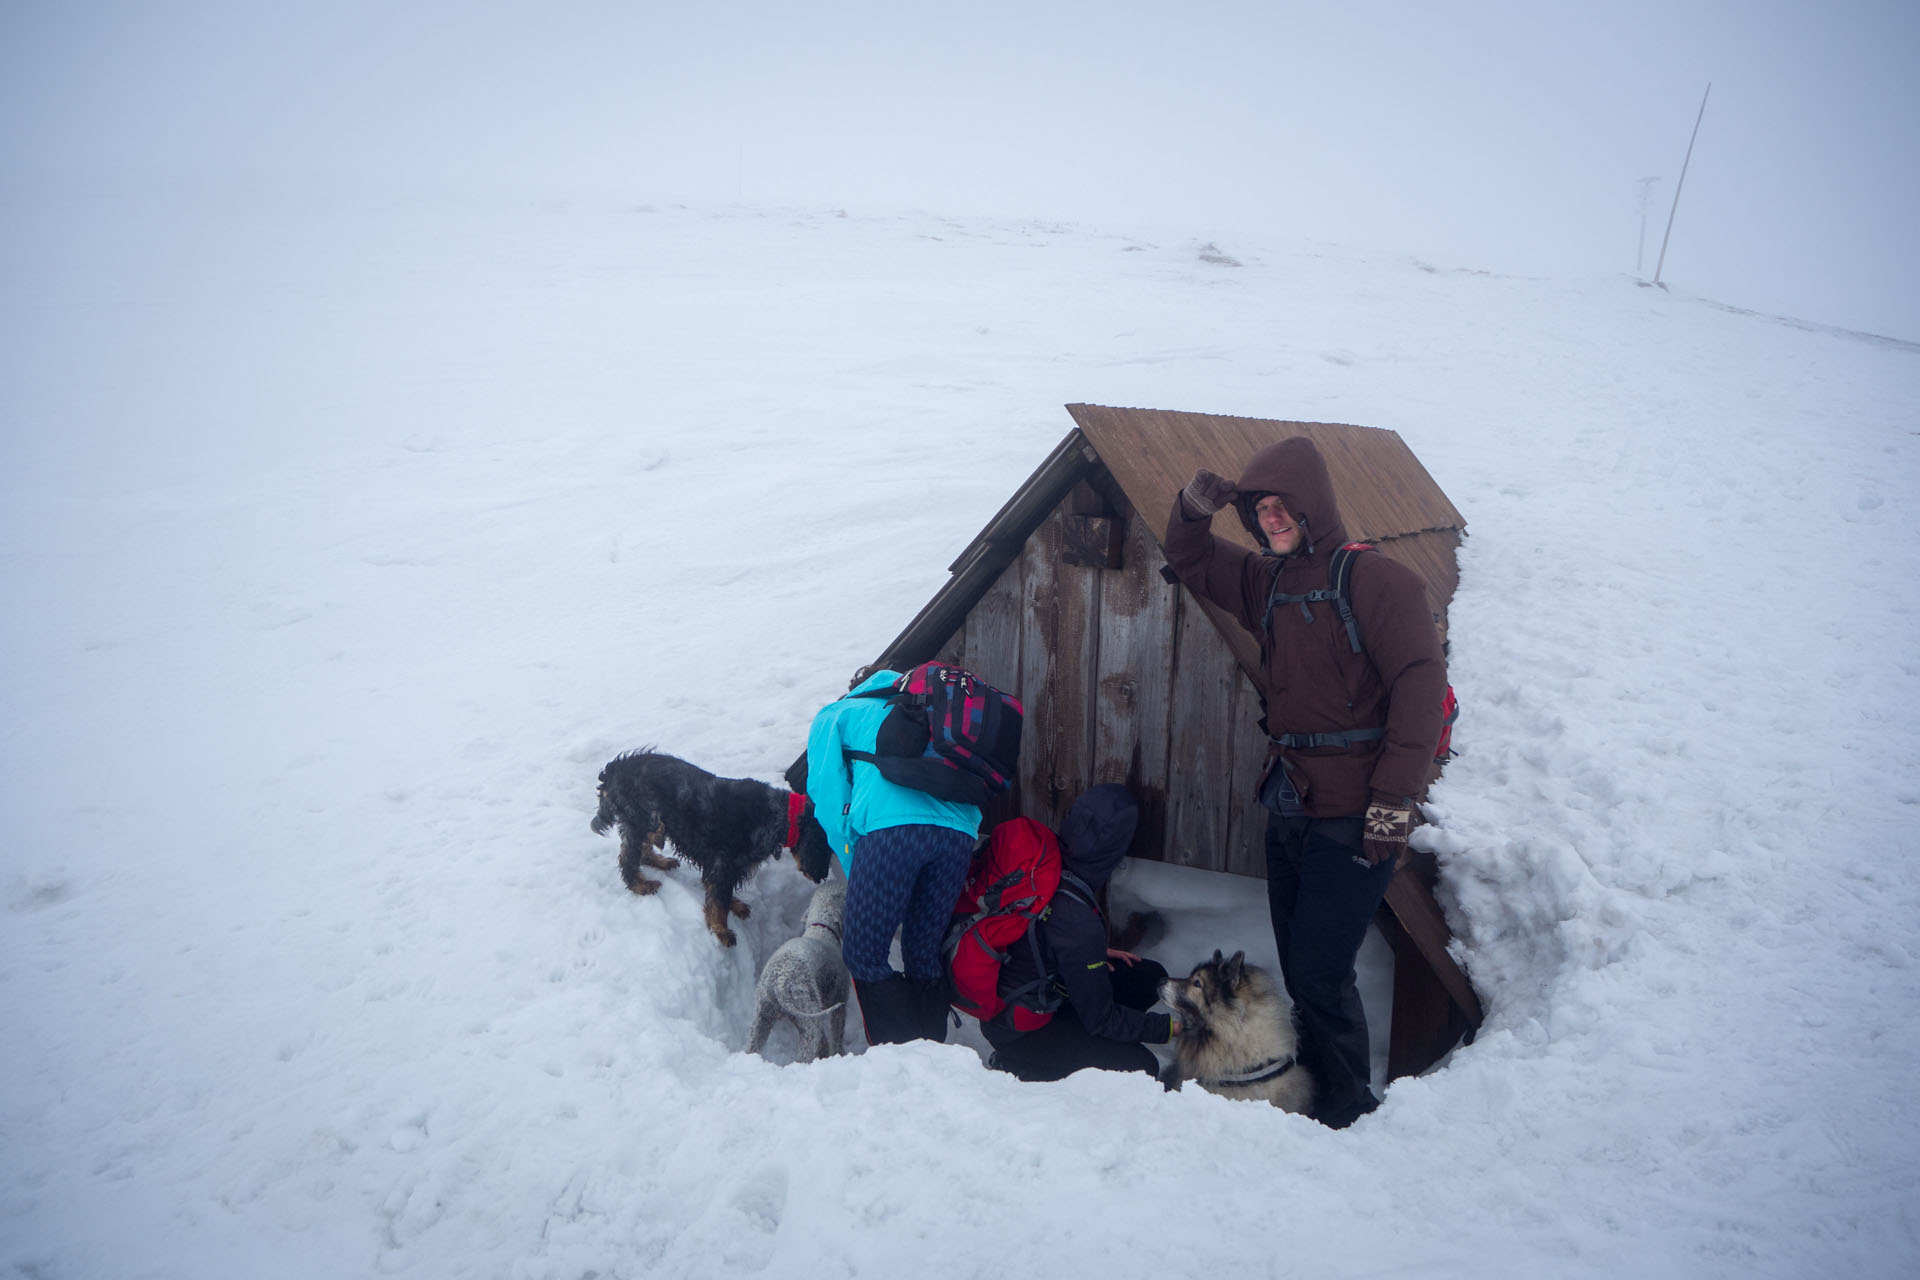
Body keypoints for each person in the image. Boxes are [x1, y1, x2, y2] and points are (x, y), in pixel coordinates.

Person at [1165, 437, 1448, 1128]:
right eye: (1260, 510)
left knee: (1321, 973)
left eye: (1282, 506)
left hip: (1356, 812)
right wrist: (1192, 511)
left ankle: (1352, 1112)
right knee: (1304, 973)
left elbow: (1421, 682)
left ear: (1312, 506)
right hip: (1289, 800)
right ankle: (1320, 1097)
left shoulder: (1379, 583)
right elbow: (1193, 558)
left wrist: (1394, 799)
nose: (1271, 519)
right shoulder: (1268, 581)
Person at [804, 668, 982, 1045]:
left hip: (891, 835)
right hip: (958, 836)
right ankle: (933, 1053)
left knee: (864, 956)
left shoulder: (840, 713)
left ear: (857, 686)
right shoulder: (938, 714)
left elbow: (827, 796)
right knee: (922, 951)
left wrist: (858, 865)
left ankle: (898, 1058)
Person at [981, 784, 1177, 1083]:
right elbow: (1101, 1019)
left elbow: (1045, 935)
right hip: (1019, 1027)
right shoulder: (1077, 921)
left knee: (1148, 977)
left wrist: (1090, 954)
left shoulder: (1049, 860)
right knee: (1140, 1068)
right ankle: (1017, 1064)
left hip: (1029, 987)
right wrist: (1170, 1029)